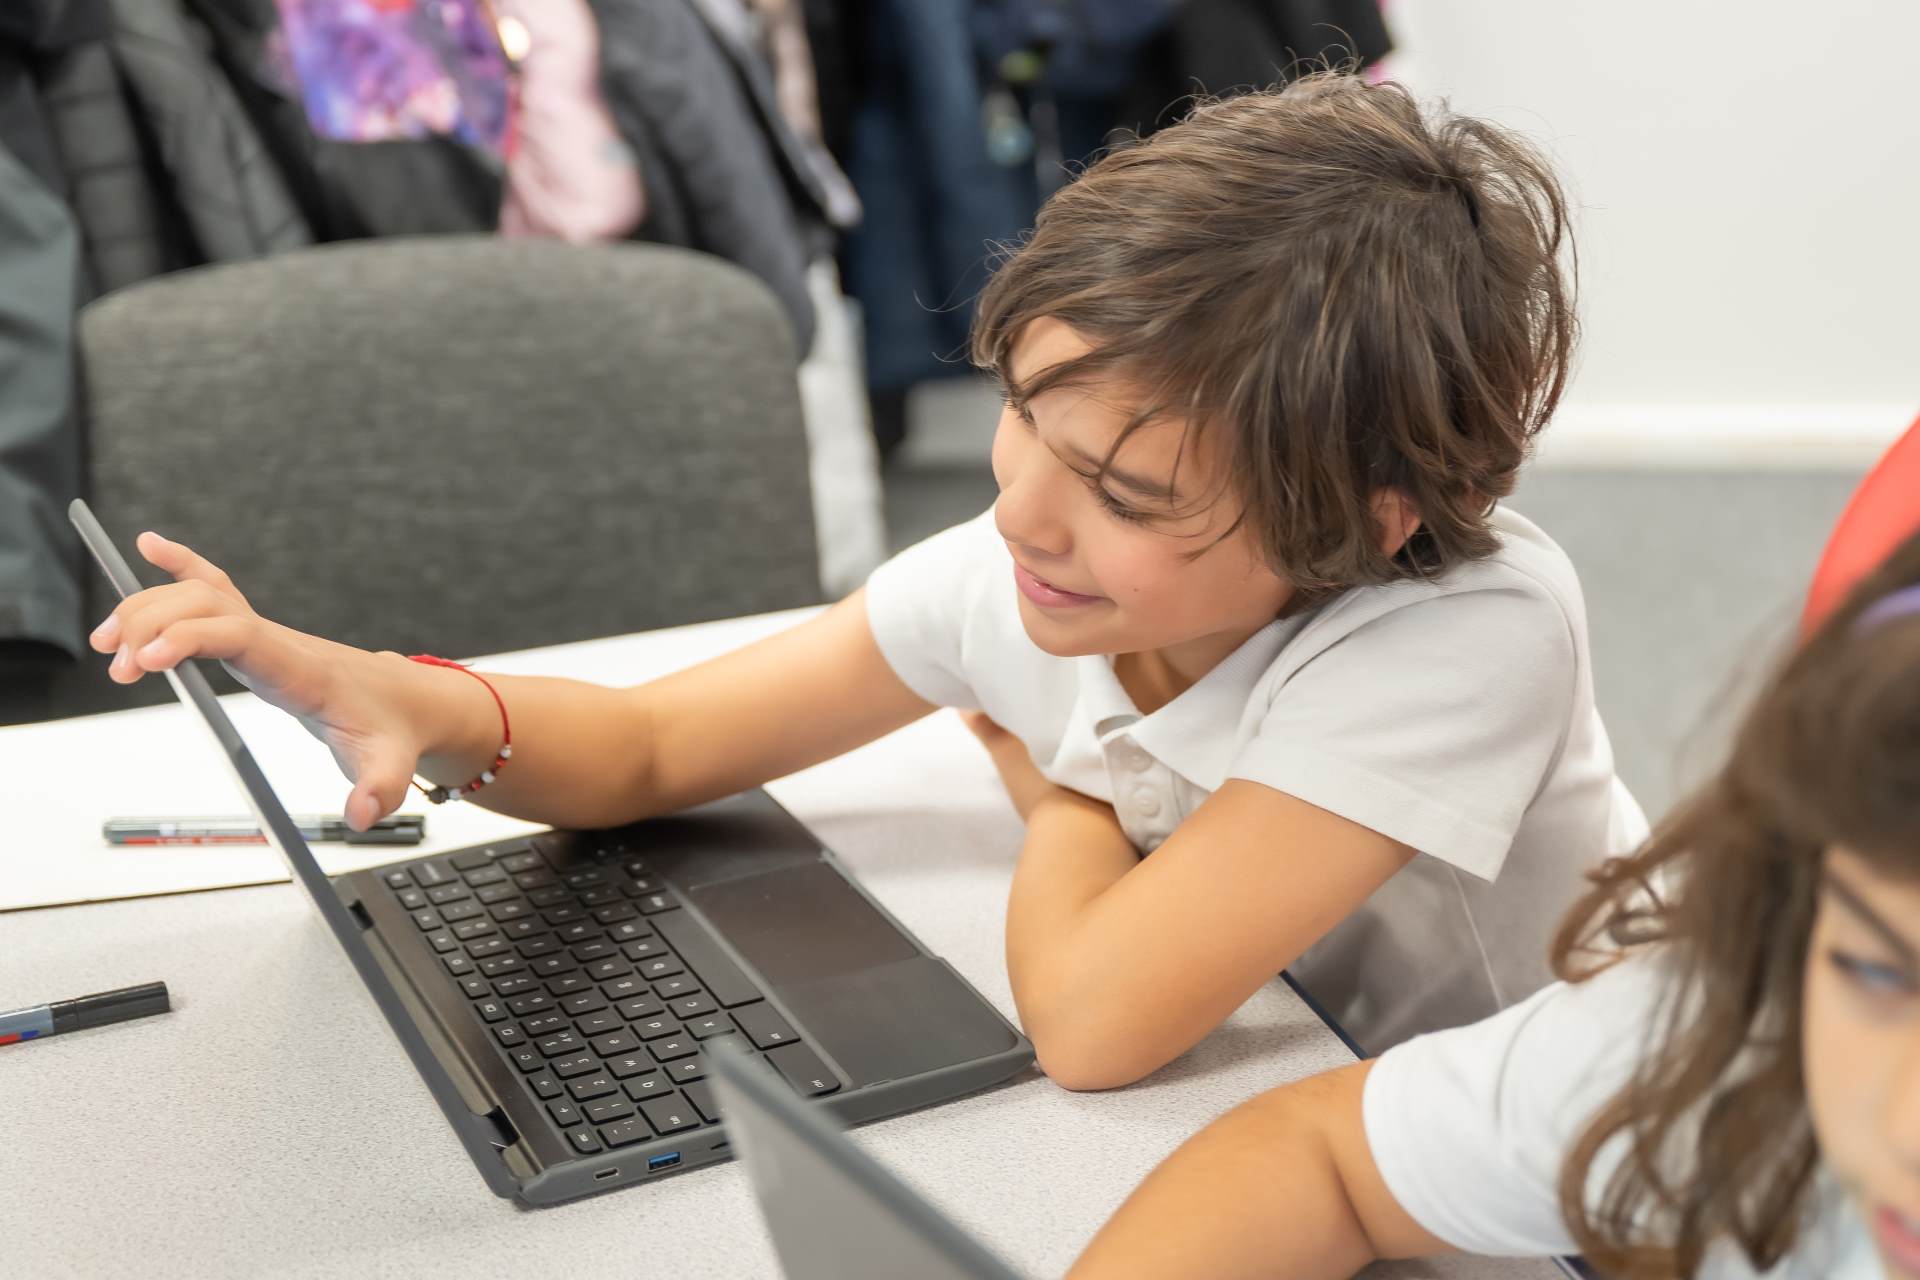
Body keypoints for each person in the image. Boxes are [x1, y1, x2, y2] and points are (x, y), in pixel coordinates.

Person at [86, 71, 1642, 1088]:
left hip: (1575, 1155)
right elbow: (653, 747)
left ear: (1368, 519)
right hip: (1320, 1082)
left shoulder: (1469, 632)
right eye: (1020, 414)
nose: (1023, 515)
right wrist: (409, 700)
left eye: (1124, 493)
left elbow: (1096, 1023)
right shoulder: (1038, 577)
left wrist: (1066, 801)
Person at [1070, 527, 1920, 1279]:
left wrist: (1065, 805)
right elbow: (1322, 1158)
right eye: (1875, 970)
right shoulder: (1728, 1027)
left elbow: (1094, 1024)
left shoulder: (1487, 623)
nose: (1905, 1131)